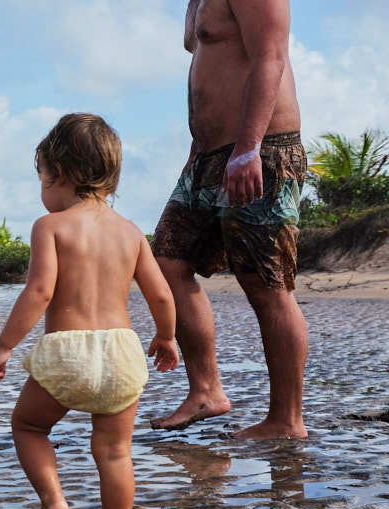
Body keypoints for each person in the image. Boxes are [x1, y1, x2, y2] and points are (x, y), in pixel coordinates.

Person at [0, 114, 179, 509]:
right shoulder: (130, 232)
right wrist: (166, 338)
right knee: (114, 453)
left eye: (42, 179)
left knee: (29, 428)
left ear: (59, 174)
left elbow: (38, 292)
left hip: (67, 354)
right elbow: (163, 296)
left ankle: (53, 501)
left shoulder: (49, 227)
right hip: (122, 355)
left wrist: (4, 346)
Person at [150, 0, 307, 440]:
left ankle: (286, 420)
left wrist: (249, 147)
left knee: (265, 283)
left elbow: (270, 57)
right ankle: (205, 391)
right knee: (167, 261)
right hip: (206, 155)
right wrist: (196, 152)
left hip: (261, 149)